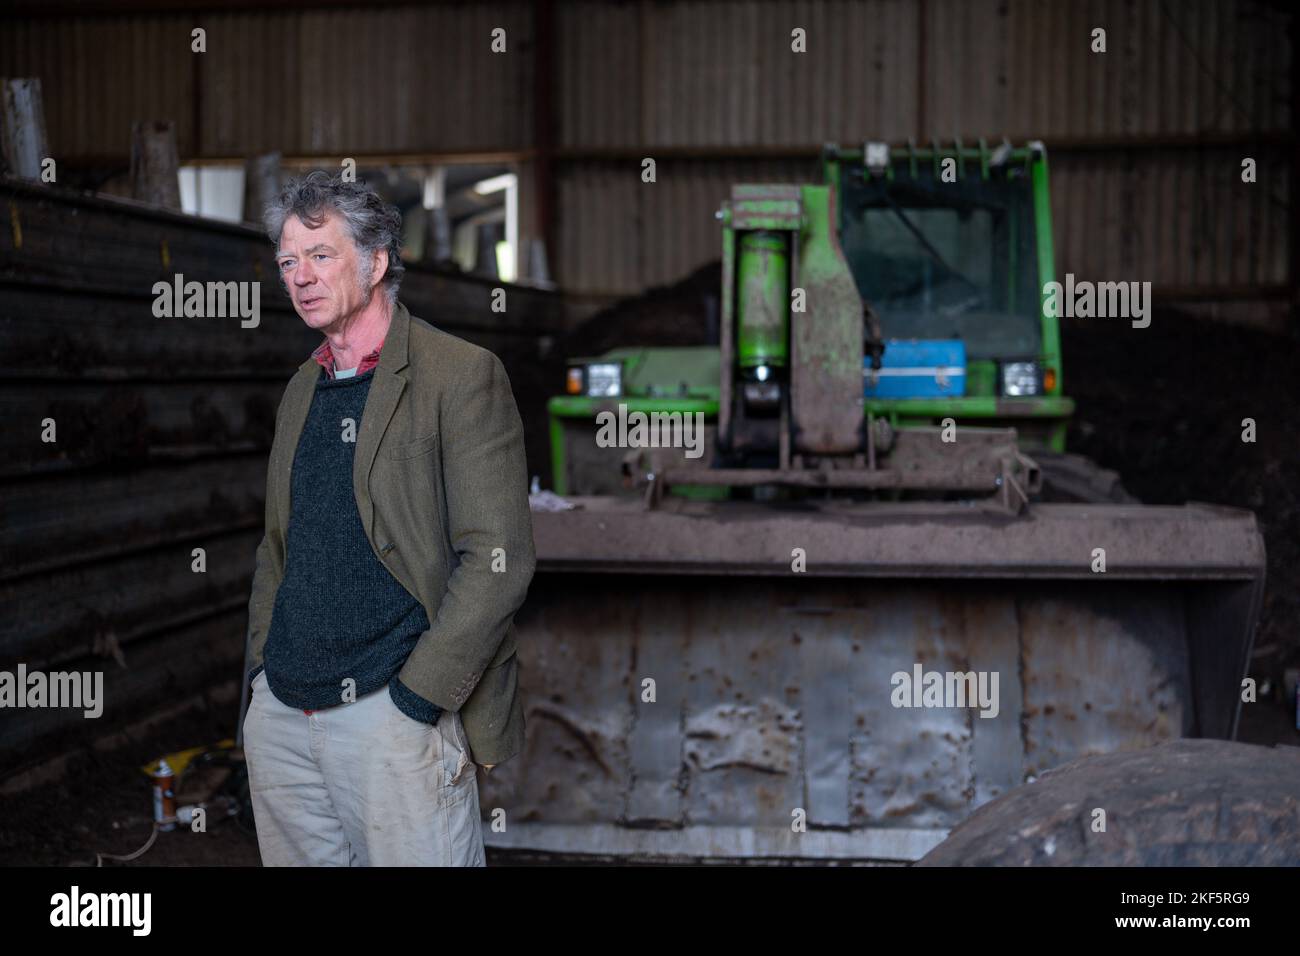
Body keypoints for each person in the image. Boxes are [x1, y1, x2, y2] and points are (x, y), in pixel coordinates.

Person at [240, 170, 535, 866]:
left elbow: (499, 559)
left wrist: (418, 698)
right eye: (288, 261)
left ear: (375, 263)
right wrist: (260, 681)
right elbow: (276, 549)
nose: (300, 276)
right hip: (285, 715)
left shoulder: (460, 376)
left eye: (320, 255)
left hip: (390, 714)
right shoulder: (301, 388)